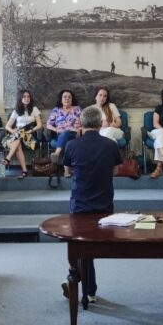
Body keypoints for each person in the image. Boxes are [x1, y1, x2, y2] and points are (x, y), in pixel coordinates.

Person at [60, 105, 122, 304]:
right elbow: (115, 172)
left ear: (82, 123)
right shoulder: (111, 145)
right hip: (104, 206)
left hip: (80, 206)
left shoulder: (72, 145)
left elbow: (67, 172)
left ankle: (77, 282)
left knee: (81, 248)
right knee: (86, 250)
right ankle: (88, 289)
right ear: (100, 123)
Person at [2, 89, 42, 179]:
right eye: (24, 97)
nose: (27, 98)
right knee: (18, 143)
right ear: (20, 98)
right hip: (17, 135)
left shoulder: (34, 109)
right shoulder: (16, 111)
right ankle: (24, 171)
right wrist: (13, 131)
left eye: (28, 96)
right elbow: (7, 126)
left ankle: (8, 158)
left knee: (18, 139)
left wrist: (30, 131)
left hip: (30, 137)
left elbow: (39, 125)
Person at [46, 89, 82, 162]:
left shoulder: (77, 109)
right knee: (63, 139)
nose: (67, 98)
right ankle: (67, 166)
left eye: (69, 97)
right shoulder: (56, 110)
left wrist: (79, 130)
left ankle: (57, 153)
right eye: (65, 97)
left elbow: (84, 123)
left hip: (74, 135)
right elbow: (48, 124)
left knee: (66, 133)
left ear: (72, 99)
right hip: (59, 135)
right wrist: (57, 130)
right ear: (61, 99)